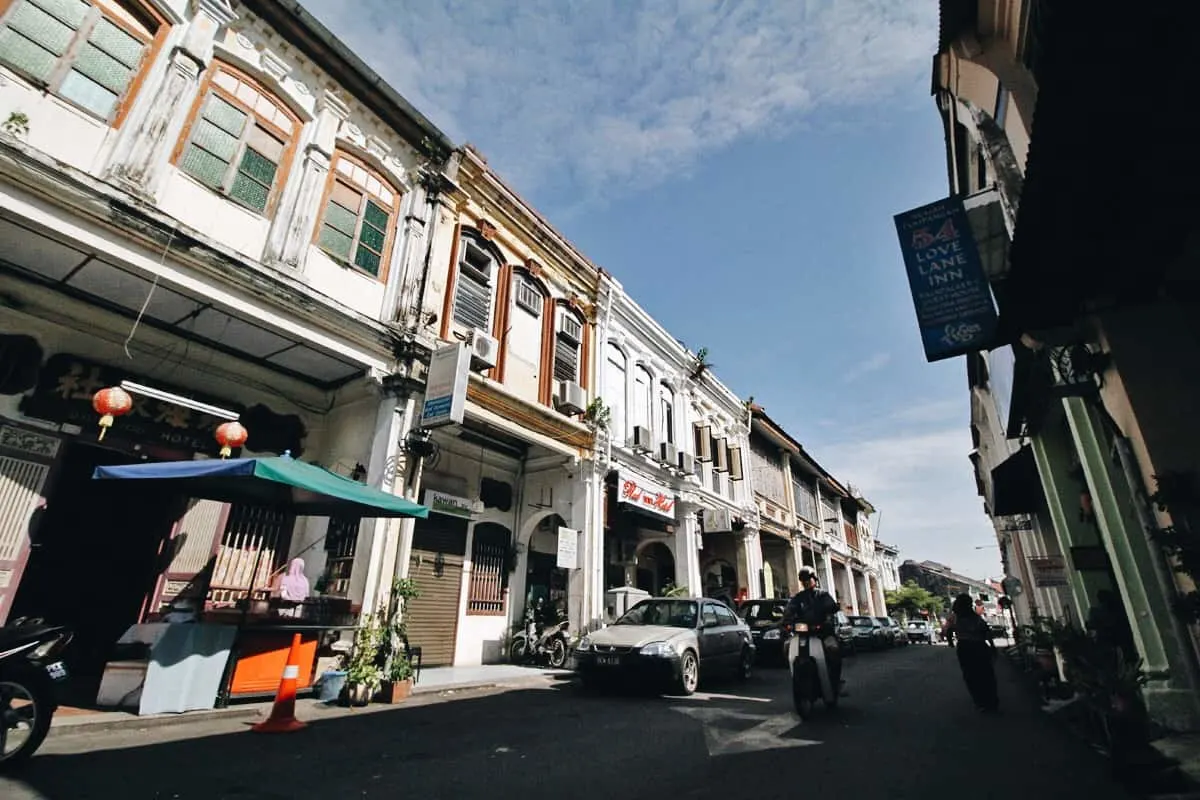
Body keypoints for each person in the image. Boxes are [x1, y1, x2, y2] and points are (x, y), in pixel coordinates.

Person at [781, 566, 845, 696]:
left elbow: (832, 608)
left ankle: (835, 681)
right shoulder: (798, 598)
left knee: (833, 648)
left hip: (822, 633)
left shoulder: (823, 595)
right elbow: (789, 611)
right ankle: (799, 676)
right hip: (803, 634)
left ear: (814, 579)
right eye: (803, 580)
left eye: (808, 579)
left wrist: (828, 615)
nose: (806, 582)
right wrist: (786, 621)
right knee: (787, 646)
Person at [944, 593, 999, 712]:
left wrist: (950, 642)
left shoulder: (955, 617)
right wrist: (993, 647)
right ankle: (992, 701)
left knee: (971, 675)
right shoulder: (975, 617)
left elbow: (948, 630)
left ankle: (980, 702)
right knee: (986, 673)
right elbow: (986, 632)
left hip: (964, 647)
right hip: (979, 646)